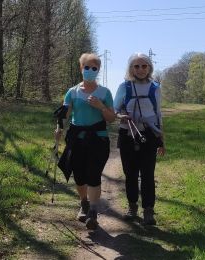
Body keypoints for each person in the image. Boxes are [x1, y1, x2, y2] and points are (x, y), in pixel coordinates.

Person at [55, 53, 115, 230]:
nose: (90, 70)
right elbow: (64, 115)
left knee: (94, 174)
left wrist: (100, 106)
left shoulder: (105, 92)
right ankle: (84, 203)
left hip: (98, 139)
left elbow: (111, 118)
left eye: (94, 68)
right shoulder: (72, 92)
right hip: (76, 139)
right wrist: (59, 128)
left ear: (98, 70)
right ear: (81, 69)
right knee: (80, 176)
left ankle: (93, 212)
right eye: (86, 67)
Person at [114, 53, 165, 225]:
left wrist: (161, 140)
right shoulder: (124, 87)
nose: (141, 69)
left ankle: (148, 211)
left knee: (148, 174)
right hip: (127, 135)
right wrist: (122, 116)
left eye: (144, 66)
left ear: (150, 67)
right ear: (131, 68)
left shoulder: (155, 87)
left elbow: (158, 114)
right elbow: (114, 110)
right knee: (130, 174)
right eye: (136, 66)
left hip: (149, 135)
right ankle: (132, 206)